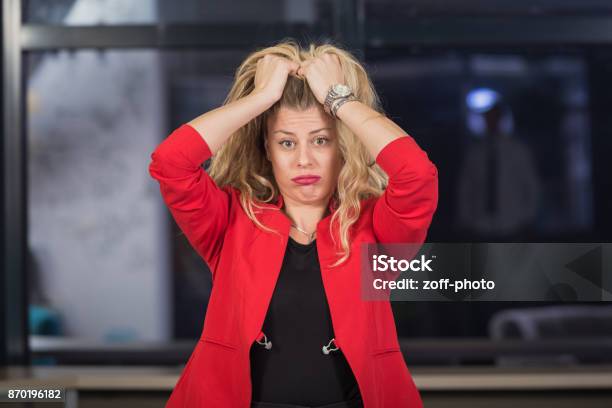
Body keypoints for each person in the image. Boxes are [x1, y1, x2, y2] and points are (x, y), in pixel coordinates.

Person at [149, 40, 438, 408]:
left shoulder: (375, 230)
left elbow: (417, 175)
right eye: (286, 143)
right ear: (267, 149)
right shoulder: (229, 221)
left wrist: (340, 100)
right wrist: (261, 99)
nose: (304, 159)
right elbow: (171, 163)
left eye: (321, 140)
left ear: (343, 146)